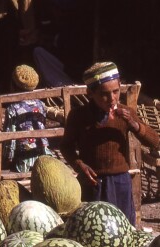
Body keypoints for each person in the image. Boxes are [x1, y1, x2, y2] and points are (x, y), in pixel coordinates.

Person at [60, 61, 160, 224]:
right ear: (90, 93)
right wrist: (79, 164)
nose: (112, 99)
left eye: (116, 91)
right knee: (95, 229)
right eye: (104, 94)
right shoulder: (78, 116)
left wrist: (134, 125)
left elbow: (155, 141)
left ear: (120, 86)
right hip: (92, 182)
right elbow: (66, 146)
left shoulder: (126, 113)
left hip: (121, 182)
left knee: (123, 227)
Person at [2, 65, 52, 172]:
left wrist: (7, 159)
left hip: (23, 162)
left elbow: (10, 140)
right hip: (43, 156)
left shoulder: (12, 109)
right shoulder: (41, 105)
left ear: (13, 85)